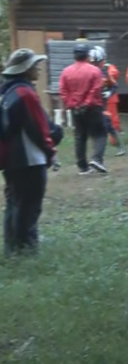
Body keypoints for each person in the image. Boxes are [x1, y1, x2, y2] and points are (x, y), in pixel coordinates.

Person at [1, 49, 56, 255]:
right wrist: (50, 151)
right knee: (29, 205)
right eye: (35, 65)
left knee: (14, 202)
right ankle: (27, 247)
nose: (38, 69)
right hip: (29, 159)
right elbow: (39, 128)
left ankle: (11, 246)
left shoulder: (6, 92)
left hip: (10, 159)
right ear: (25, 69)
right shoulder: (26, 93)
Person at [59, 43, 109, 175]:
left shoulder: (66, 71)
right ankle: (97, 159)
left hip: (75, 109)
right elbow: (96, 89)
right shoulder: (94, 71)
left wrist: (71, 105)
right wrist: (86, 104)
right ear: (88, 55)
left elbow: (63, 91)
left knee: (80, 136)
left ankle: (82, 167)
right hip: (93, 107)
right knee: (100, 134)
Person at [90, 47, 125, 155]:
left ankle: (119, 146)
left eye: (96, 62)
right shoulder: (88, 71)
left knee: (109, 124)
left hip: (103, 102)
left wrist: (109, 92)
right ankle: (96, 150)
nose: (94, 64)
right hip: (91, 102)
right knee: (92, 126)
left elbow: (114, 84)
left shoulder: (105, 70)